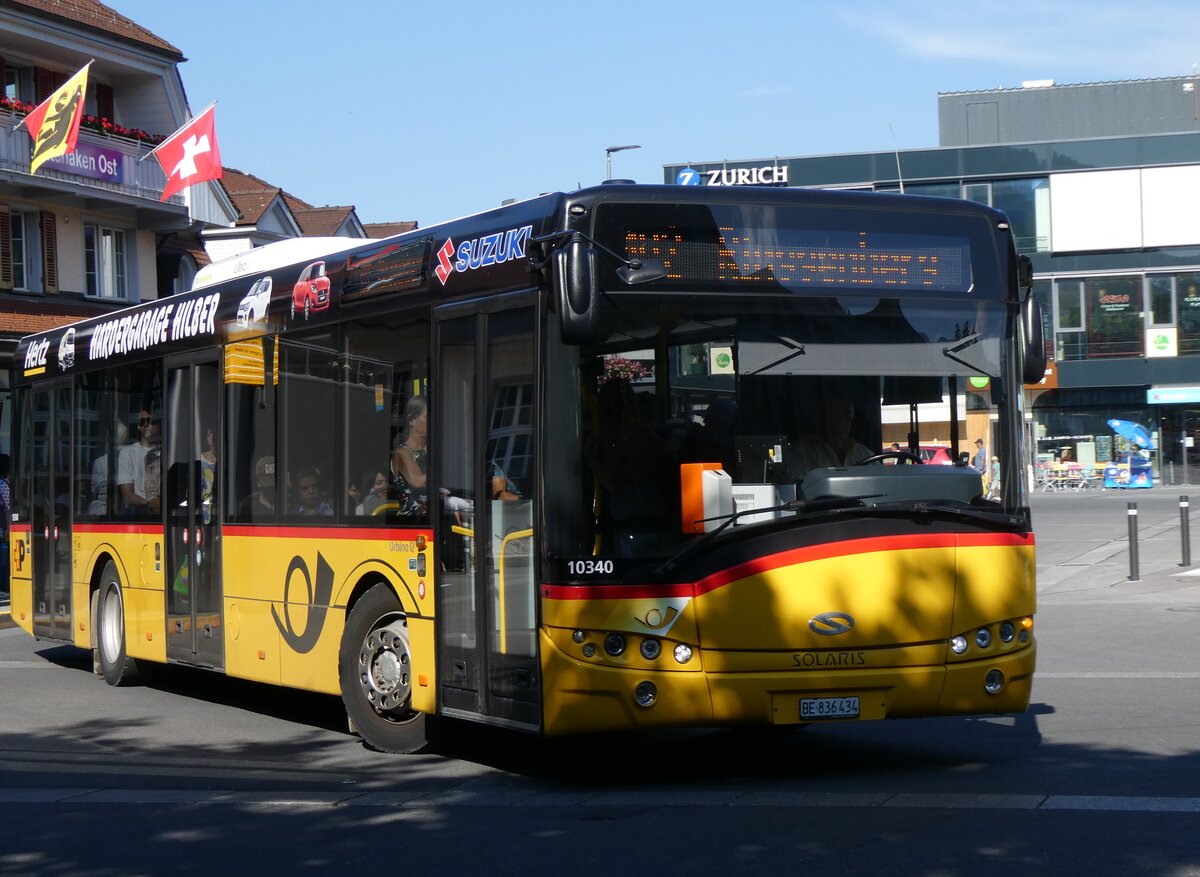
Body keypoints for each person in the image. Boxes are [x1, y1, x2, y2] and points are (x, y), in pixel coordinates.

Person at [793, 390, 874, 474]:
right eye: (833, 414)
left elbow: (880, 483)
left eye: (846, 414)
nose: (841, 421)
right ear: (820, 417)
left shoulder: (864, 454)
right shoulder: (800, 452)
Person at [117, 409, 161, 516]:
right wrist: (151, 504)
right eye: (142, 422)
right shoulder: (127, 453)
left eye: (149, 420)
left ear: (158, 425)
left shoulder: (167, 452)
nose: (145, 424)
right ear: (138, 427)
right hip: (139, 516)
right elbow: (127, 496)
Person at [391, 396, 428, 516]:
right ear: (412, 420)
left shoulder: (434, 449)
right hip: (411, 522)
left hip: (435, 518)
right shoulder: (401, 453)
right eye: (427, 417)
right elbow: (417, 481)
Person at [88, 420, 128, 516]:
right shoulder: (131, 461)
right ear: (125, 437)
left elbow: (94, 490)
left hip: (101, 512)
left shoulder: (98, 462)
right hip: (124, 511)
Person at [0, 454, 10, 598]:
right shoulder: (3, 485)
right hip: (1, 529)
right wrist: (10, 528)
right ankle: (2, 586)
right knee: (3, 556)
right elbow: (8, 509)